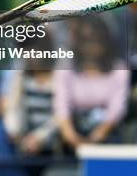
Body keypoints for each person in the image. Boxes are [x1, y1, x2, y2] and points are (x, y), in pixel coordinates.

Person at [54, 17, 129, 152]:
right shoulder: (66, 66)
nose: (92, 46)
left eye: (97, 40)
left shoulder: (119, 69)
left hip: (108, 140)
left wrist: (95, 138)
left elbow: (117, 109)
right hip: (72, 141)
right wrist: (71, 137)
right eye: (86, 40)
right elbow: (61, 106)